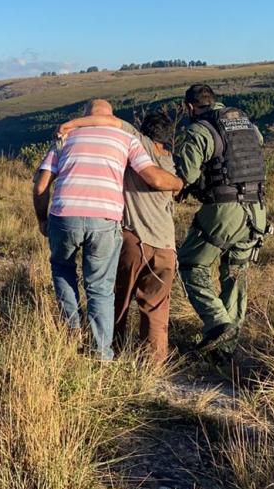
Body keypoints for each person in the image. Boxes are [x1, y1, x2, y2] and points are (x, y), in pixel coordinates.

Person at [33, 100, 184, 360]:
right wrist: (180, 184)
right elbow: (153, 177)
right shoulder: (127, 139)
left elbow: (40, 186)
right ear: (111, 116)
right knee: (100, 287)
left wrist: (42, 220)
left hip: (64, 214)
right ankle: (103, 352)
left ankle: (72, 330)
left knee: (62, 269)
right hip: (106, 219)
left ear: (86, 115)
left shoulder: (65, 138)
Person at [173, 84, 269, 362]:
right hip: (257, 209)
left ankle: (217, 323)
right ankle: (225, 350)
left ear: (189, 106)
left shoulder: (199, 130)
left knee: (191, 264)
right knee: (235, 274)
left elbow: (187, 175)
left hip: (224, 210)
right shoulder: (248, 126)